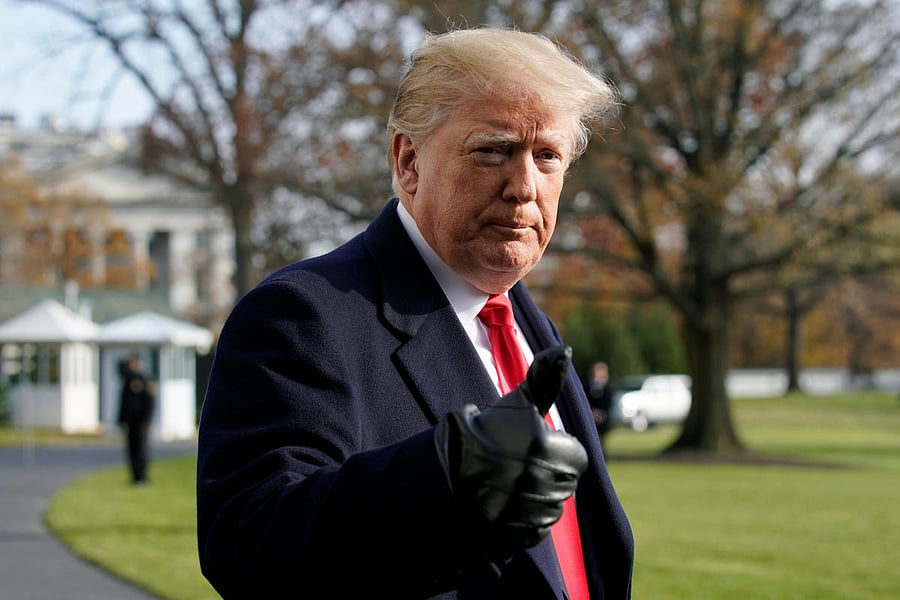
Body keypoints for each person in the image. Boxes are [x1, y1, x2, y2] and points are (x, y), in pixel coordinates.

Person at [197, 27, 634, 599]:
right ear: (408, 161)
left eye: (547, 156)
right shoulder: (301, 316)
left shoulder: (531, 326)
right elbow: (248, 544)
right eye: (493, 150)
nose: (524, 186)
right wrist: (442, 482)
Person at [117, 354, 154, 485]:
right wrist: (121, 419)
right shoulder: (127, 380)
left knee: (141, 449)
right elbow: (123, 402)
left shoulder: (144, 380)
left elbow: (149, 402)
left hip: (141, 422)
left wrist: (146, 420)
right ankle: (134, 477)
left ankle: (142, 476)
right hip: (130, 421)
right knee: (131, 449)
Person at [587, 361, 614, 452]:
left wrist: (602, 415)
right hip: (591, 419)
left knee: (600, 445)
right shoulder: (588, 387)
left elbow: (608, 405)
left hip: (602, 423)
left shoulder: (607, 389)